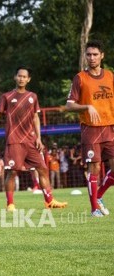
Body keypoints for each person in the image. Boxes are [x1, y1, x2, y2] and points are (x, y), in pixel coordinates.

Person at [0, 66, 67, 211]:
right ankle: (10, 204)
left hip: (31, 141)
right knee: (12, 171)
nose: (21, 79)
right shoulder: (7, 97)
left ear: (28, 79)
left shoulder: (33, 97)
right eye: (19, 76)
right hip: (14, 140)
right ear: (15, 77)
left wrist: (39, 138)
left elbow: (36, 117)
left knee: (42, 169)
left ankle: (49, 201)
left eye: (24, 77)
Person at [65, 40, 114, 217]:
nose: (91, 58)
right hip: (90, 130)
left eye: (95, 54)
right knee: (93, 169)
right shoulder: (80, 78)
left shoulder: (110, 76)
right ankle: (94, 209)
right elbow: (69, 105)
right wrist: (86, 107)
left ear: (102, 56)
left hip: (110, 127)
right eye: (88, 54)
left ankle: (99, 196)